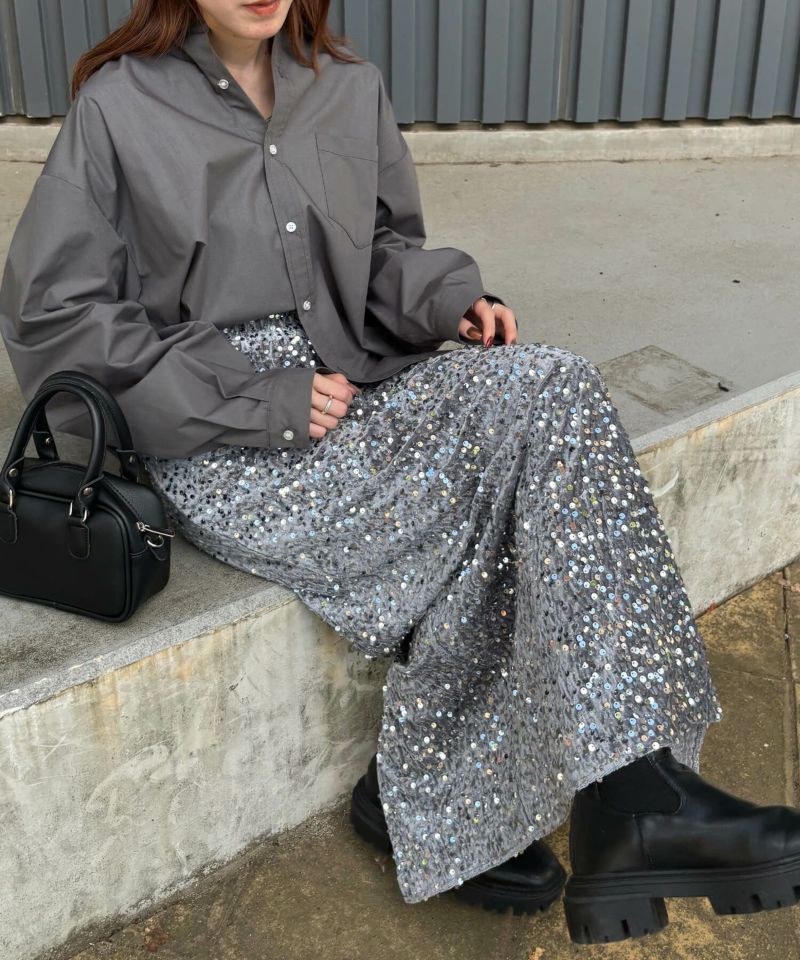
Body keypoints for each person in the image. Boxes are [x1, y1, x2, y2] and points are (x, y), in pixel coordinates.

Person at [1, 0, 798, 945]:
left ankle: (625, 789)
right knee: (510, 473)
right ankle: (531, 796)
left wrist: (449, 302)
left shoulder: (346, 87)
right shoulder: (119, 107)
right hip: (221, 435)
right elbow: (59, 317)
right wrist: (258, 396)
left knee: (551, 389)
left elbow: (379, 252)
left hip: (353, 381)